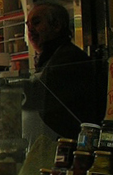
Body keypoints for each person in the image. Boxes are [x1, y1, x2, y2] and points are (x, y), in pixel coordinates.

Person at [22, 1, 105, 141]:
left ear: (57, 26)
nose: (30, 30)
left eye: (36, 23)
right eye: (28, 26)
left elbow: (40, 99)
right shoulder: (50, 57)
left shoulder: (69, 58)